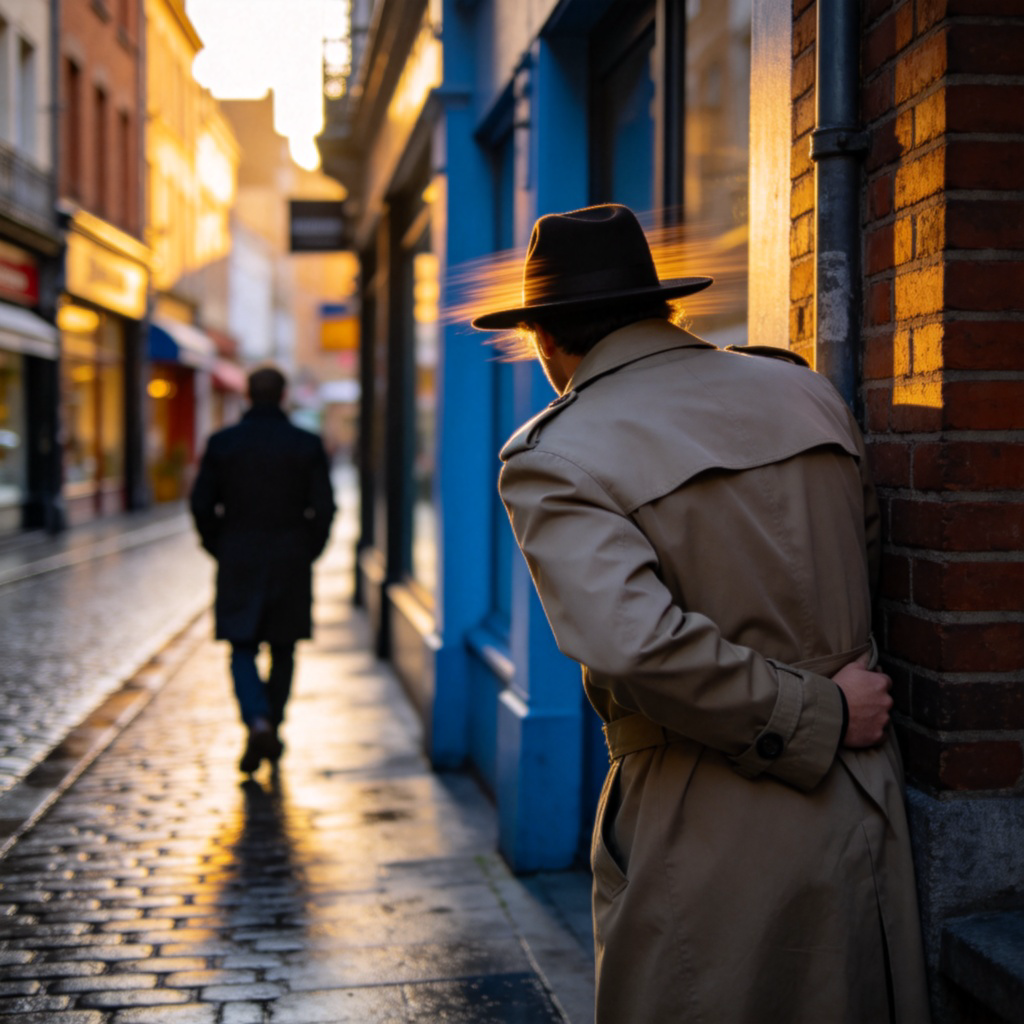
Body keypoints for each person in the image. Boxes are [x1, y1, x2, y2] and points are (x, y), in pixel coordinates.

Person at [472, 204, 931, 1023]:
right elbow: (862, 558)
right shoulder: (804, 390)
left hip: (708, 811)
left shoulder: (552, 456)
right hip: (866, 798)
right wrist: (832, 702)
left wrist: (814, 714)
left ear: (545, 339)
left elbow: (634, 648)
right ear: (661, 307)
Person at [190, 366, 336, 774]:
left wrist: (219, 545)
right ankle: (272, 723)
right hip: (291, 556)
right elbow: (323, 507)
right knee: (284, 648)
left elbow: (202, 505)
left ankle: (256, 720)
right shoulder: (305, 444)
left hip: (238, 556)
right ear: (284, 395)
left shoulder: (223, 444)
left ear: (248, 396)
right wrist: (309, 550)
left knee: (241, 646)